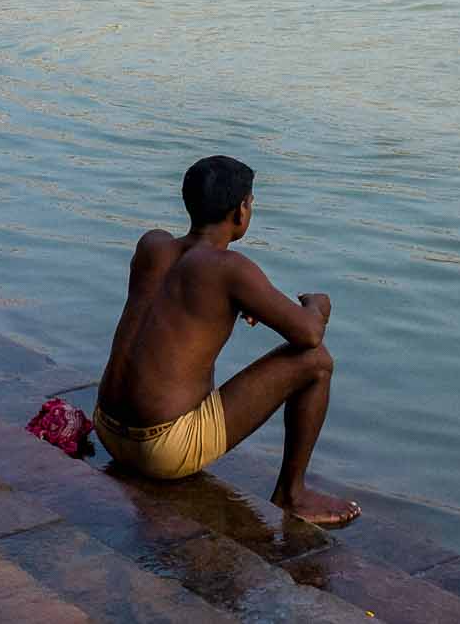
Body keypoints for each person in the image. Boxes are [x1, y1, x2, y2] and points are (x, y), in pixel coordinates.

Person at [95, 155, 360, 528]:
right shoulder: (227, 268)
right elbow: (309, 333)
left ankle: (291, 492)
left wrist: (238, 301)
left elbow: (179, 305)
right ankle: (292, 493)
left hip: (107, 428)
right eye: (251, 203)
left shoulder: (152, 246)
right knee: (316, 361)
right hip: (160, 451)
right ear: (241, 211)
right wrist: (318, 305)